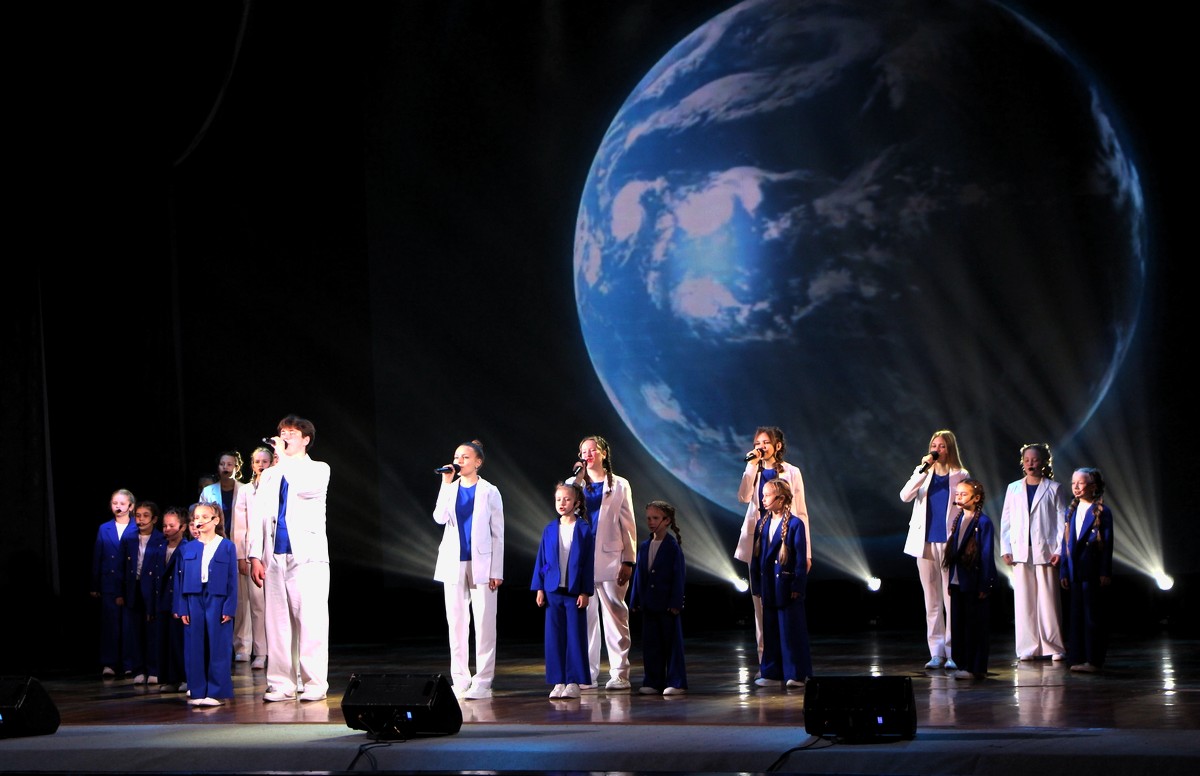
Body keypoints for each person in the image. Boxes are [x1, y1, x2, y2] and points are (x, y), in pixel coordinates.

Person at [249, 414, 332, 702]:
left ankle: (314, 684)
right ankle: (281, 684)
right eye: (282, 433)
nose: (285, 437)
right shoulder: (270, 474)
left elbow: (302, 486)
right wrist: (254, 555)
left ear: (306, 439)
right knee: (277, 625)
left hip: (307, 556)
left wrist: (283, 458)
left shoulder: (319, 469)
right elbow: (258, 516)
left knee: (310, 622)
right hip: (274, 555)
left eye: (292, 433)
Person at [433, 439, 505, 700]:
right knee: (456, 623)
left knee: (484, 623)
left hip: (482, 563)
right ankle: (460, 680)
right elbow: (439, 517)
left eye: (465, 457)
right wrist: (445, 483)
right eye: (457, 457)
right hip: (453, 563)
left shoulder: (490, 491)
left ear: (478, 462)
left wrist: (497, 570)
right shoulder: (450, 488)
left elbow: (498, 533)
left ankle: (483, 681)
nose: (459, 461)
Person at [733, 426, 809, 670]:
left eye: (766, 442)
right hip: (759, 542)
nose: (761, 446)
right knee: (760, 606)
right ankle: (766, 663)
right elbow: (743, 497)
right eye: (757, 443)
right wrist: (751, 466)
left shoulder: (792, 472)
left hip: (785, 541)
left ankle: (789, 664)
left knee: (784, 603)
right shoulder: (753, 471)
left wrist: (806, 552)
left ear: (777, 446)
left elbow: (801, 511)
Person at [571, 435, 636, 691]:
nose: (587, 455)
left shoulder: (619, 484)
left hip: (611, 558)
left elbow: (628, 523)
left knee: (615, 616)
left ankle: (620, 674)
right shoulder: (573, 484)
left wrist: (628, 560)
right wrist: (577, 479)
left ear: (603, 454)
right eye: (583, 451)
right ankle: (587, 674)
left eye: (592, 450)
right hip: (582, 560)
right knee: (586, 619)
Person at [900, 429, 970, 670]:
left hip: (949, 542)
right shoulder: (923, 473)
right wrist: (922, 471)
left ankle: (953, 651)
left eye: (941, 446)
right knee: (931, 600)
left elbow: (966, 506)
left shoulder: (961, 475)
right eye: (934, 446)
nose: (937, 450)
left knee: (951, 599)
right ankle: (936, 652)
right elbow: (905, 496)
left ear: (949, 449)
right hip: (925, 542)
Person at [1000, 443, 1068, 662]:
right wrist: (1006, 548)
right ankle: (1027, 647)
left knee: (1048, 599)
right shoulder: (1013, 488)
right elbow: (1006, 521)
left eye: (1035, 459)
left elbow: (1061, 522)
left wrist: (1059, 550)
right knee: (1024, 600)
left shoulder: (1054, 488)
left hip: (1045, 550)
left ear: (1043, 462)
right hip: (1021, 549)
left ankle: (1053, 645)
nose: (1030, 463)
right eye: (1027, 460)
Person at [532, 481, 594, 700]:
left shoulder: (584, 529)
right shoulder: (550, 529)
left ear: (576, 502)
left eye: (567, 499)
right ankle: (558, 680)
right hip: (553, 591)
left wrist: (585, 591)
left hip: (574, 592)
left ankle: (574, 681)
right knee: (554, 637)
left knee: (575, 637)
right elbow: (543, 561)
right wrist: (540, 587)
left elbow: (588, 563)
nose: (562, 503)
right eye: (558, 499)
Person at [174, 501, 238, 706]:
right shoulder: (187, 548)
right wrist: (182, 607)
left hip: (217, 598)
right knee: (194, 645)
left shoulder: (226, 546)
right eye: (196, 518)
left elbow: (232, 580)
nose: (198, 521)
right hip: (193, 598)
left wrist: (229, 607)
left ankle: (217, 691)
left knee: (218, 645)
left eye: (203, 517)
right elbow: (179, 580)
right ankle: (198, 690)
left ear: (215, 520)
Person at [750, 479, 812, 689]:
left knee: (790, 631)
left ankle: (796, 673)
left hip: (786, 586)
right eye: (763, 495)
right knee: (771, 631)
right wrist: (757, 585)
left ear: (781, 499)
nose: (763, 499)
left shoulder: (795, 524)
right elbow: (756, 559)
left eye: (767, 495)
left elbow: (800, 559)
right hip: (769, 587)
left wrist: (797, 586)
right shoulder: (762, 523)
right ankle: (772, 672)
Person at [1059, 467, 1114, 674]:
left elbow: (1107, 544)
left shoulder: (1102, 512)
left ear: (1093, 487)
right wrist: (1064, 570)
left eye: (1080, 483)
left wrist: (1104, 571)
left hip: (1091, 571)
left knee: (1092, 616)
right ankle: (1077, 657)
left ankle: (1093, 659)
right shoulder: (1070, 511)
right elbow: (1065, 544)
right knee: (1076, 617)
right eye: (1073, 483)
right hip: (1075, 572)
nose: (1076, 487)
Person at [631, 500, 687, 696]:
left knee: (671, 644)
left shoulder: (672, 547)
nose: (651, 522)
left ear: (667, 520)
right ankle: (653, 681)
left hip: (666, 604)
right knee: (651, 644)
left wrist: (676, 601)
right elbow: (639, 575)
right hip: (649, 603)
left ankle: (676, 681)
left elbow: (678, 576)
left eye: (655, 518)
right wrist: (635, 599)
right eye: (649, 518)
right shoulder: (645, 546)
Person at [945, 479, 997, 680]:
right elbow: (953, 553)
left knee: (974, 625)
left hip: (974, 582)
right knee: (958, 624)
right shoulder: (958, 520)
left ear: (976, 498)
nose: (959, 497)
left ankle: (975, 666)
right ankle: (962, 663)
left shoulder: (983, 522)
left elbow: (986, 554)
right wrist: (951, 581)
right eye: (957, 494)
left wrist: (985, 583)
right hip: (958, 581)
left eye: (964, 494)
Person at [119, 500, 167, 684]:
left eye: (146, 516)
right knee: (135, 630)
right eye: (138, 516)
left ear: (154, 519)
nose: (141, 519)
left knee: (152, 630)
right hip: (134, 589)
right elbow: (122, 566)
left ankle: (154, 669)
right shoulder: (129, 538)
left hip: (152, 590)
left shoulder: (161, 539)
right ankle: (138, 669)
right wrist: (120, 592)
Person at [232, 446, 272, 669]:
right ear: (252, 464)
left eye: (265, 461)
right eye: (257, 461)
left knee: (276, 607)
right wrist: (241, 555)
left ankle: (278, 652)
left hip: (274, 552)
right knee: (256, 606)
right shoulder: (246, 491)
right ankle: (260, 652)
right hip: (252, 554)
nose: (261, 465)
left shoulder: (277, 486)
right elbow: (239, 526)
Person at [91, 488, 136, 678]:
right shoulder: (105, 528)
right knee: (110, 625)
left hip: (130, 584)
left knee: (129, 625)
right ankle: (109, 663)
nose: (118, 507)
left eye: (122, 503)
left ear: (131, 506)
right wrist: (95, 585)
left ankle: (129, 663)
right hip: (109, 582)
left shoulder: (136, 527)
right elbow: (98, 556)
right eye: (115, 503)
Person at [156, 507, 189, 693]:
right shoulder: (160, 548)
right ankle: (168, 679)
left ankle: (183, 677)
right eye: (165, 526)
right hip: (162, 602)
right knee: (164, 642)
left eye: (171, 526)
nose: (167, 529)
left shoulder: (186, 549)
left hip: (177, 602)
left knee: (178, 642)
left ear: (182, 527)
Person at [201, 451, 243, 542]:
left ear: (237, 467)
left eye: (229, 464)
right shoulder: (208, 491)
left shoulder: (245, 490)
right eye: (222, 464)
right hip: (214, 539)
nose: (225, 467)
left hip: (239, 540)